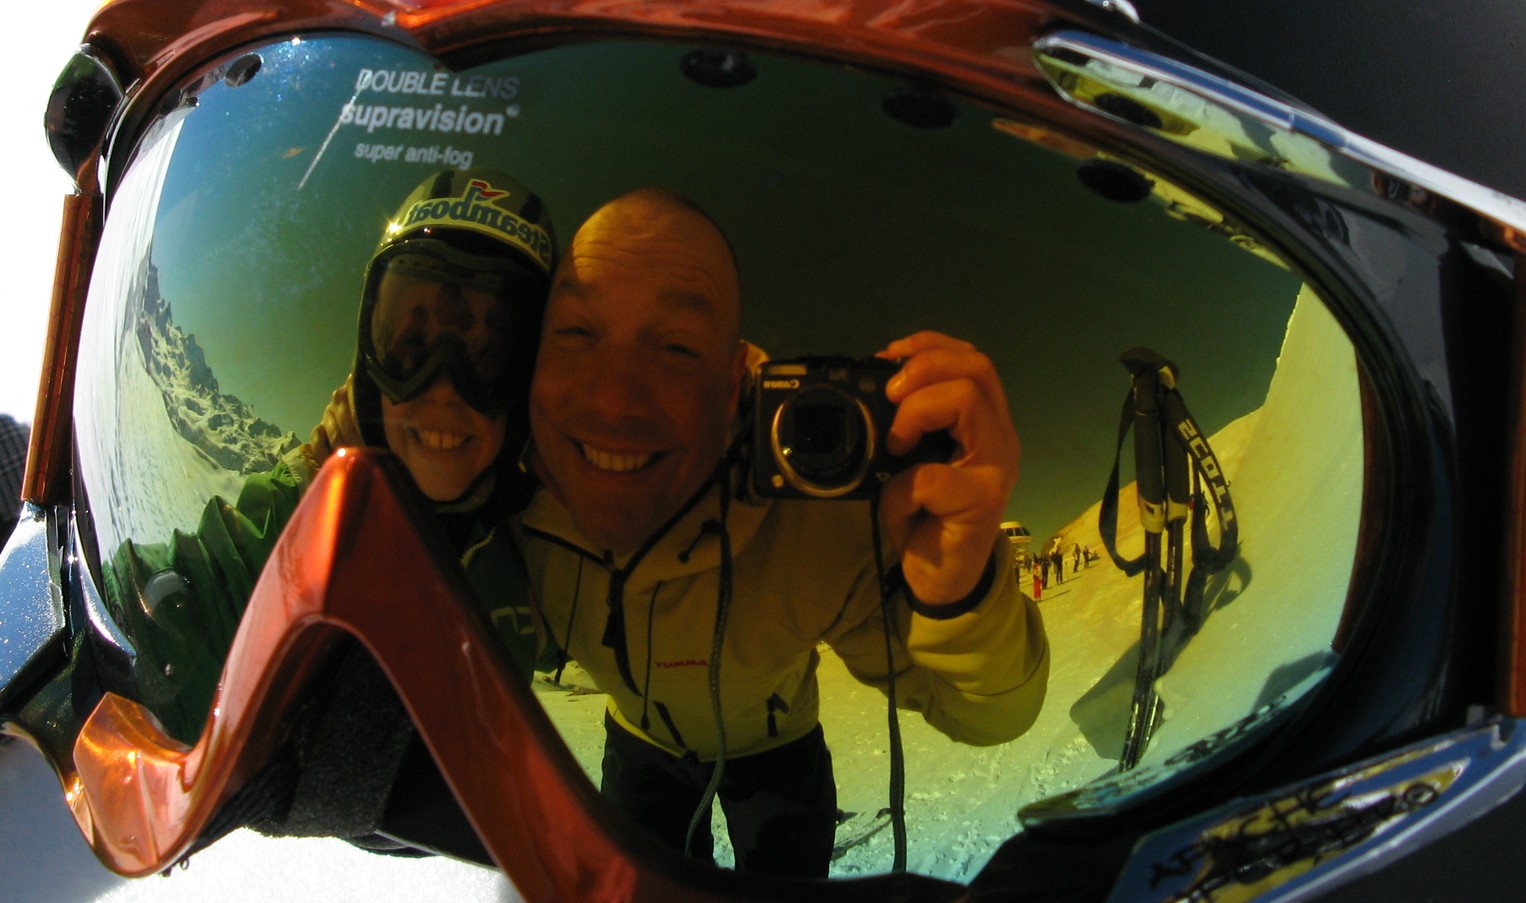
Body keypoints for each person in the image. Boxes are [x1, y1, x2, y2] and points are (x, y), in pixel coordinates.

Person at [514, 186, 1048, 877]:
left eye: (677, 346)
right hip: (642, 747)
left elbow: (991, 714)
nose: (614, 398)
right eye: (576, 332)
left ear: (734, 382)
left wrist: (960, 592)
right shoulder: (510, 495)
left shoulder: (819, 526)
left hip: (778, 751)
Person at [101, 168, 556, 745]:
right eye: (410, 347)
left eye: (488, 355)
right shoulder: (302, 524)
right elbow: (201, 579)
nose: (444, 389)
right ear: (368, 362)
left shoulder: (551, 556)